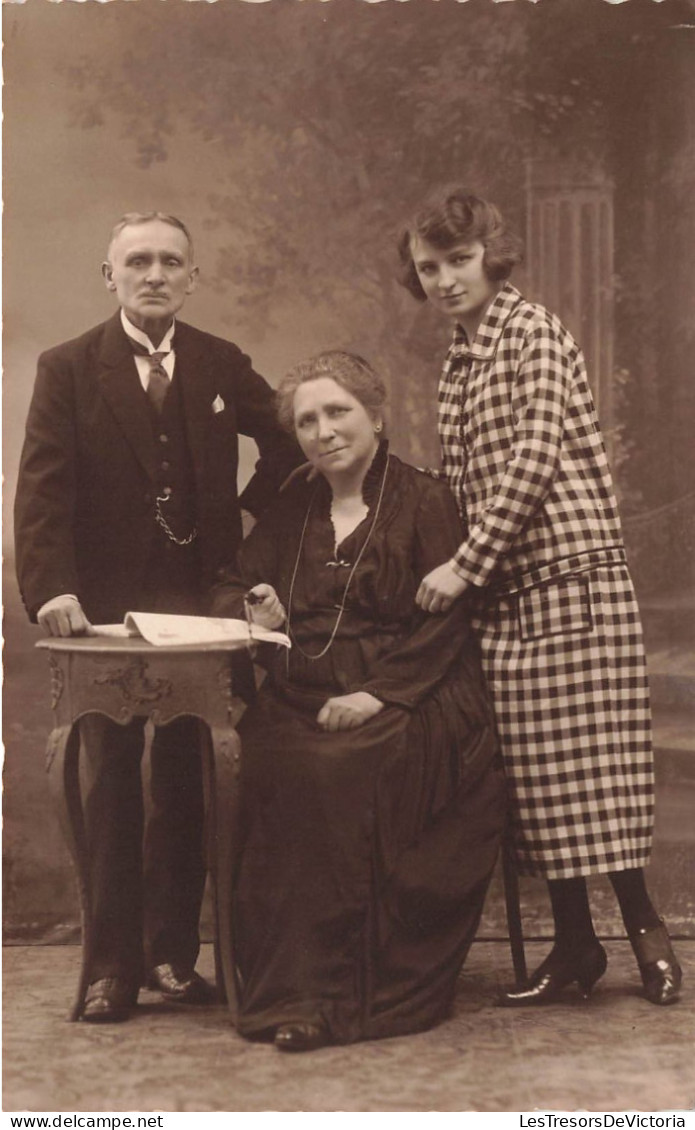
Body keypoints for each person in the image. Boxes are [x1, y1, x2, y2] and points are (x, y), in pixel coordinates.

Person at [396, 186, 682, 1007]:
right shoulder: (457, 361)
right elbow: (456, 482)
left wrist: (464, 564)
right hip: (506, 599)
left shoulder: (532, 330)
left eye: (457, 260)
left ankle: (645, 934)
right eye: (428, 268)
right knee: (535, 781)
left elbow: (534, 456)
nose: (445, 278)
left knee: (599, 773)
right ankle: (575, 948)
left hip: (571, 582)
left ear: (490, 253)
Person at [14, 212, 302, 1023]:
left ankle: (174, 956)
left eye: (170, 262)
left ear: (192, 277)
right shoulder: (69, 367)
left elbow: (290, 441)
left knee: (187, 780)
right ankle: (111, 966)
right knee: (108, 780)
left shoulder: (218, 362)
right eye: (137, 262)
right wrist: (51, 589)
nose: (154, 275)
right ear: (110, 277)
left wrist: (242, 525)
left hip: (199, 607)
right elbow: (41, 491)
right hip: (101, 612)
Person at [211, 350, 506, 1051]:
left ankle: (333, 998)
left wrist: (378, 694)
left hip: (414, 694)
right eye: (307, 420)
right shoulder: (291, 505)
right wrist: (253, 606)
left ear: (376, 416)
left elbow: (448, 622)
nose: (323, 431)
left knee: (335, 769)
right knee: (269, 755)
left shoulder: (425, 500)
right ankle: (284, 984)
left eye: (337, 411)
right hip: (302, 692)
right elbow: (230, 581)